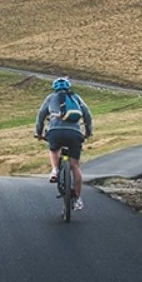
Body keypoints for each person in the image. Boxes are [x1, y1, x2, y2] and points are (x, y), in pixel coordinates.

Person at [34, 77, 93, 211]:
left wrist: (38, 133)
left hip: (55, 132)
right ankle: (77, 199)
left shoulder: (50, 98)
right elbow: (87, 115)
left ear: (54, 88)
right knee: (75, 166)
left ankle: (55, 169)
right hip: (74, 133)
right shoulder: (76, 98)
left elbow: (41, 116)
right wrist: (88, 132)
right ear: (69, 87)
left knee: (54, 150)